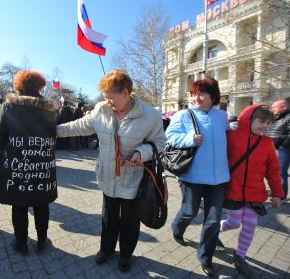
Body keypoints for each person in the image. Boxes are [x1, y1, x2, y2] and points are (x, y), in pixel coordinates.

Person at [57, 70, 166, 272]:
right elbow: (80, 126)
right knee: (109, 218)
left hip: (132, 180)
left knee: (130, 221)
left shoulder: (150, 115)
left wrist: (140, 154)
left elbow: (160, 143)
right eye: (105, 97)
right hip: (107, 176)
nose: (107, 102)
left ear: (126, 93)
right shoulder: (101, 109)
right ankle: (105, 250)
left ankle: (126, 255)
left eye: (111, 97)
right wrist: (52, 130)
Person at [166, 78, 230, 277]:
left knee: (213, 220)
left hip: (219, 178)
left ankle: (205, 257)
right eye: (194, 94)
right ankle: (177, 228)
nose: (196, 98)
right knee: (189, 212)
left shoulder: (222, 117)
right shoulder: (184, 114)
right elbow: (169, 136)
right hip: (192, 176)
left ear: (213, 96)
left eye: (201, 93)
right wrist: (190, 139)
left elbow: (229, 137)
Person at [0, 70, 57, 254]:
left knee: (19, 204)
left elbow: (0, 134)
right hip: (42, 164)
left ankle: (21, 243)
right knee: (41, 203)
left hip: (18, 163)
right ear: (40, 86)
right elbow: (54, 134)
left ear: (19, 86)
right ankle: (42, 241)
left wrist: (6, 151)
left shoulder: (9, 106)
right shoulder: (50, 109)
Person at [219, 104, 283, 278]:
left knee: (249, 226)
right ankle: (213, 231)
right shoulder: (231, 137)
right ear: (249, 118)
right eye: (262, 121)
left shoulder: (267, 143)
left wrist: (277, 193)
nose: (265, 126)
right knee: (234, 223)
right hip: (233, 192)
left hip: (256, 194)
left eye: (269, 123)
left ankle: (240, 256)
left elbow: (273, 171)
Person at [265, 99, 290, 200]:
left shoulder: (288, 116)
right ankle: (277, 192)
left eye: (275, 108)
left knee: (280, 172)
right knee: (273, 171)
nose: (272, 109)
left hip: (282, 149)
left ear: (283, 107)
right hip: (274, 147)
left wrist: (280, 144)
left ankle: (281, 195)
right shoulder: (278, 116)